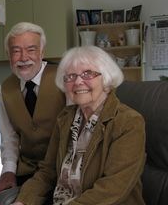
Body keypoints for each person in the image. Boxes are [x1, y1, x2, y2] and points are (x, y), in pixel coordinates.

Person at [13, 46, 146, 205]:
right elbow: (47, 173)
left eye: (88, 74)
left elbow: (113, 188)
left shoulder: (128, 122)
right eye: (70, 76)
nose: (77, 82)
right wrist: (23, 201)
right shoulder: (65, 118)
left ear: (106, 79)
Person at [0, 22, 66, 203]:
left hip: (61, 168)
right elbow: (9, 138)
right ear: (8, 55)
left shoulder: (64, 79)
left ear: (42, 52)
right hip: (27, 171)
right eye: (16, 51)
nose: (23, 58)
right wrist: (8, 171)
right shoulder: (6, 89)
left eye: (31, 50)